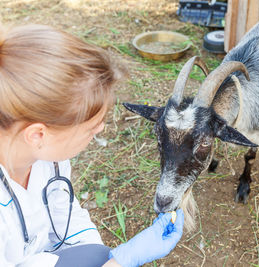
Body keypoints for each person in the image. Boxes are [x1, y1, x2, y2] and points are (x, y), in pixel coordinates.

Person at [0, 23, 184, 267]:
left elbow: (65, 216)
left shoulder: (47, 160)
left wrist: (102, 257)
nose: (101, 130)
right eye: (90, 127)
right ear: (37, 135)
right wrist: (119, 264)